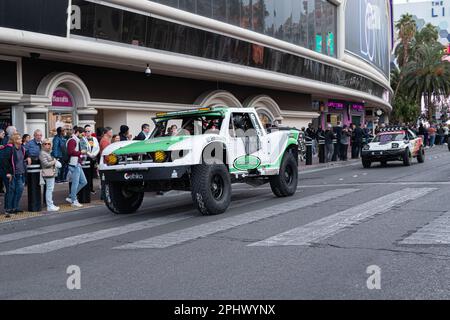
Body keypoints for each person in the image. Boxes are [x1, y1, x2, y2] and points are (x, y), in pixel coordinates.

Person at [1, 133, 31, 217]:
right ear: (14, 140)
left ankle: (15, 207)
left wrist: (28, 157)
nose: (21, 139)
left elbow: (26, 154)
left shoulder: (22, 148)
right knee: (11, 191)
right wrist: (8, 173)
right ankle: (8, 209)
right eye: (19, 138)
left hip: (20, 173)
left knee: (19, 190)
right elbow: (4, 161)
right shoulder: (9, 148)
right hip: (12, 174)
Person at [66, 126, 87, 208]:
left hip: (77, 164)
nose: (82, 136)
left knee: (84, 182)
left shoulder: (75, 140)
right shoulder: (72, 140)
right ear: (77, 132)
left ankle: (71, 197)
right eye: (82, 134)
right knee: (76, 183)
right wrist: (80, 152)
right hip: (74, 164)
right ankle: (74, 200)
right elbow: (70, 152)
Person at [39, 139, 60, 212]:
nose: (47, 145)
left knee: (50, 189)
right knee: (49, 189)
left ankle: (51, 204)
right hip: (48, 172)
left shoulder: (47, 152)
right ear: (42, 145)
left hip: (50, 172)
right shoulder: (42, 153)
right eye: (45, 144)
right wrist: (54, 161)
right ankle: (50, 205)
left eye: (49, 144)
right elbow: (45, 164)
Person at [83, 125, 100, 194]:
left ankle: (91, 188)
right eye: (86, 131)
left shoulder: (94, 139)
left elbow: (98, 147)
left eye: (88, 131)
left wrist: (94, 155)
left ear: (91, 131)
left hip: (93, 159)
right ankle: (87, 189)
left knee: (92, 175)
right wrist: (90, 155)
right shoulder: (83, 139)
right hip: (86, 159)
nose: (87, 132)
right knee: (87, 175)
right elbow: (84, 149)